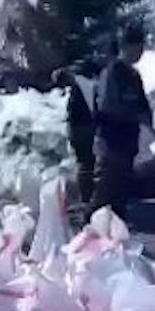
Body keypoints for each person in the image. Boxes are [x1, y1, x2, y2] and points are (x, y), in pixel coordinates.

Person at [92, 23, 152, 221]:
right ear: (126, 47)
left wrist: (146, 117)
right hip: (111, 143)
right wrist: (133, 115)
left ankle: (112, 243)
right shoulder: (112, 73)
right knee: (104, 198)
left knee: (120, 200)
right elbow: (108, 107)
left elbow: (144, 106)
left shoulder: (134, 76)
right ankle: (89, 240)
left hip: (128, 145)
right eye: (138, 47)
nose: (141, 52)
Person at [51, 57, 100, 204]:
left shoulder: (79, 85)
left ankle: (87, 197)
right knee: (88, 163)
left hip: (78, 127)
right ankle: (88, 197)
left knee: (86, 163)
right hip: (83, 127)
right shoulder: (85, 83)